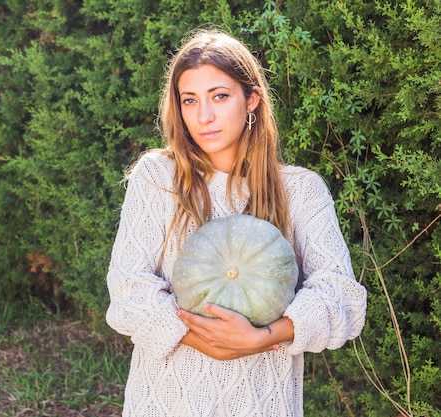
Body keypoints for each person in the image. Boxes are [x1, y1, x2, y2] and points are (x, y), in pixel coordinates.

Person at [105, 27, 368, 417]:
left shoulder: (301, 191)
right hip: (167, 401)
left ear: (252, 100)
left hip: (262, 402)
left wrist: (261, 337)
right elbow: (128, 287)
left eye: (220, 96)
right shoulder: (157, 177)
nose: (204, 116)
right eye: (189, 100)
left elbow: (340, 295)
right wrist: (202, 339)